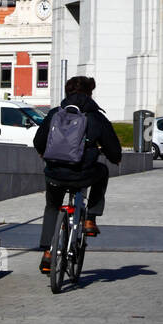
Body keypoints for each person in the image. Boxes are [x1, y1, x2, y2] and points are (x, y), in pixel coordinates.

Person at [32, 76, 122, 275]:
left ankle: (47, 254)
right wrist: (115, 158)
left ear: (67, 92)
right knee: (103, 171)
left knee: (52, 206)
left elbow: (38, 141)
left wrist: (44, 153)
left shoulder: (55, 113)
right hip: (84, 174)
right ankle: (90, 219)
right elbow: (112, 148)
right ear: (90, 93)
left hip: (55, 174)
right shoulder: (95, 117)